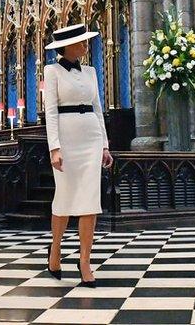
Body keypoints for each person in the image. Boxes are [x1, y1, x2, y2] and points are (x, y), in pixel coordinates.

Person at [43, 24, 113, 288]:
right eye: (81, 42)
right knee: (64, 197)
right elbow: (50, 111)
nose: (86, 45)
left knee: (90, 201)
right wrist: (55, 148)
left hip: (91, 138)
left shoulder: (92, 71)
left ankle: (85, 261)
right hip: (67, 138)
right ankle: (56, 250)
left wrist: (105, 145)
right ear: (68, 46)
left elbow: (98, 109)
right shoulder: (52, 71)